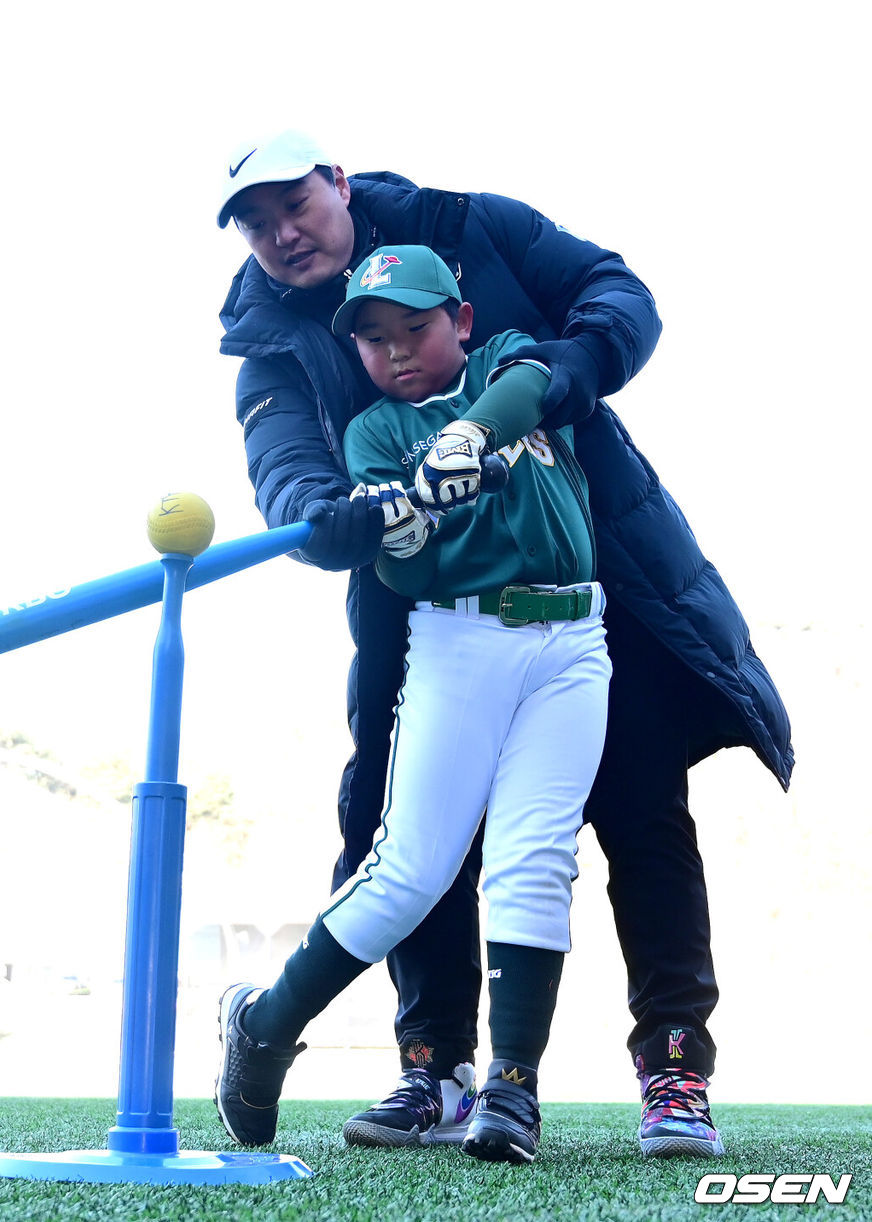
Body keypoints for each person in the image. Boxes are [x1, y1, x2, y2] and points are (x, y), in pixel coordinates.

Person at [215, 130, 794, 1157]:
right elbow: (288, 470)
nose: (282, 233)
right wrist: (338, 515)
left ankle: (668, 1066)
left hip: (599, 563)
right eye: (255, 224)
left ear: (338, 183)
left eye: (294, 203)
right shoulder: (269, 338)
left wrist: (558, 380)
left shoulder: (468, 224)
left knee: (637, 804)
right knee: (398, 841)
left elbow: (615, 297)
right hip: (427, 609)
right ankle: (431, 1066)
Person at [216, 243, 612, 1164]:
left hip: (573, 643)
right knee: (412, 870)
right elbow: (408, 569)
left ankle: (512, 1089)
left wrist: (467, 442)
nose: (397, 352)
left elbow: (531, 382)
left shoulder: (501, 358)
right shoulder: (373, 440)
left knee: (535, 858)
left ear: (459, 322)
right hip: (459, 643)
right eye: (375, 339)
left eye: (417, 328)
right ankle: (264, 1028)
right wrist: (411, 520)